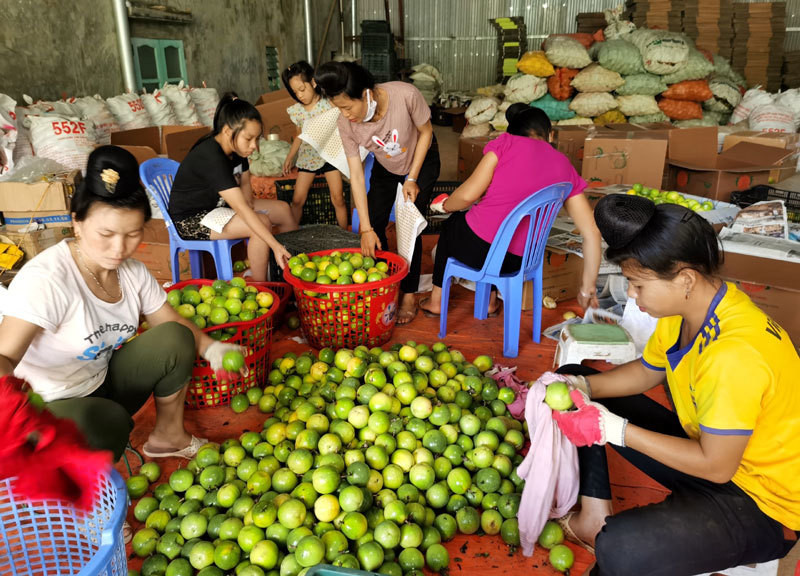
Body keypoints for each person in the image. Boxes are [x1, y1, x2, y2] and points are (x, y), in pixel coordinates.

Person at [549, 194, 800, 576]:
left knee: (620, 547)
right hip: (714, 452)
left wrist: (617, 431)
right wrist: (584, 388)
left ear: (685, 278)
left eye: (637, 285)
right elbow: (648, 372)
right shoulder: (688, 308)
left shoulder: (734, 353)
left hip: (763, 501)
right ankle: (593, 510)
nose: (632, 296)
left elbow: (716, 467)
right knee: (575, 381)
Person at [0, 146, 247, 462]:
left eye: (132, 234)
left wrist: (212, 348)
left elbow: (170, 321)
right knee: (110, 424)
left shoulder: (132, 273)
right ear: (76, 222)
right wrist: (11, 404)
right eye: (106, 233)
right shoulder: (47, 279)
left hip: (102, 380)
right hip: (51, 404)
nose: (119, 249)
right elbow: (4, 355)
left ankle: (168, 437)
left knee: (176, 337)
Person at [419, 104, 601, 317]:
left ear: (511, 132)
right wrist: (588, 286)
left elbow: (468, 196)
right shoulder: (565, 165)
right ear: (550, 135)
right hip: (521, 262)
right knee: (499, 234)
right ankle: (489, 301)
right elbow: (592, 232)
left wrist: (445, 205)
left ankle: (436, 302)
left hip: (478, 252)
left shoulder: (505, 144)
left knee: (454, 225)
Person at [315, 61, 441, 324]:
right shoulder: (346, 123)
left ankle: (409, 293)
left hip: (421, 157)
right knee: (373, 218)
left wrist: (413, 178)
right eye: (339, 108)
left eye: (348, 107)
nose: (345, 114)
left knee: (410, 221)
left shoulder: (405, 95)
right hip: (386, 164)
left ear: (366, 93)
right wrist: (366, 229)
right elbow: (357, 176)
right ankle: (379, 277)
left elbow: (426, 132)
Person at [168, 93, 296, 281]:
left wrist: (250, 204)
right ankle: (262, 288)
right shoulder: (211, 156)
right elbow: (241, 209)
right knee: (260, 224)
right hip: (191, 219)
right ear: (228, 131)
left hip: (218, 206)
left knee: (283, 210)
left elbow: (245, 184)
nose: (254, 146)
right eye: (249, 139)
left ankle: (293, 269)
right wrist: (275, 245)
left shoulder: (236, 148)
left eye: (257, 139)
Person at [281, 61, 347, 229]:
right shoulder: (296, 110)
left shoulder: (329, 103)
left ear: (313, 82)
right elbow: (299, 136)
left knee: (338, 198)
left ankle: (345, 235)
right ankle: (292, 234)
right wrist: (290, 157)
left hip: (329, 156)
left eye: (302, 89)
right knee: (297, 200)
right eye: (295, 92)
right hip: (308, 158)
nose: (299, 95)